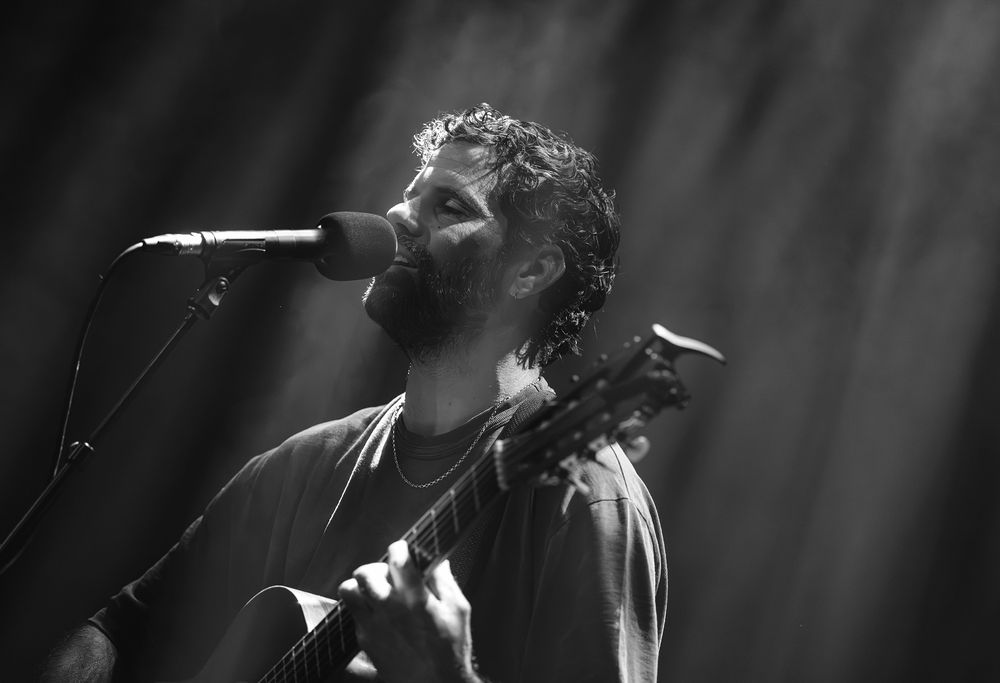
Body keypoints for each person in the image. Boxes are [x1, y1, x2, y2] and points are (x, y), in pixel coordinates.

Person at [42, 103, 666, 682]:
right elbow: (119, 629)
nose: (398, 215)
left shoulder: (585, 500)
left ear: (531, 270)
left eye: (449, 206)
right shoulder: (301, 465)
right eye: (411, 194)